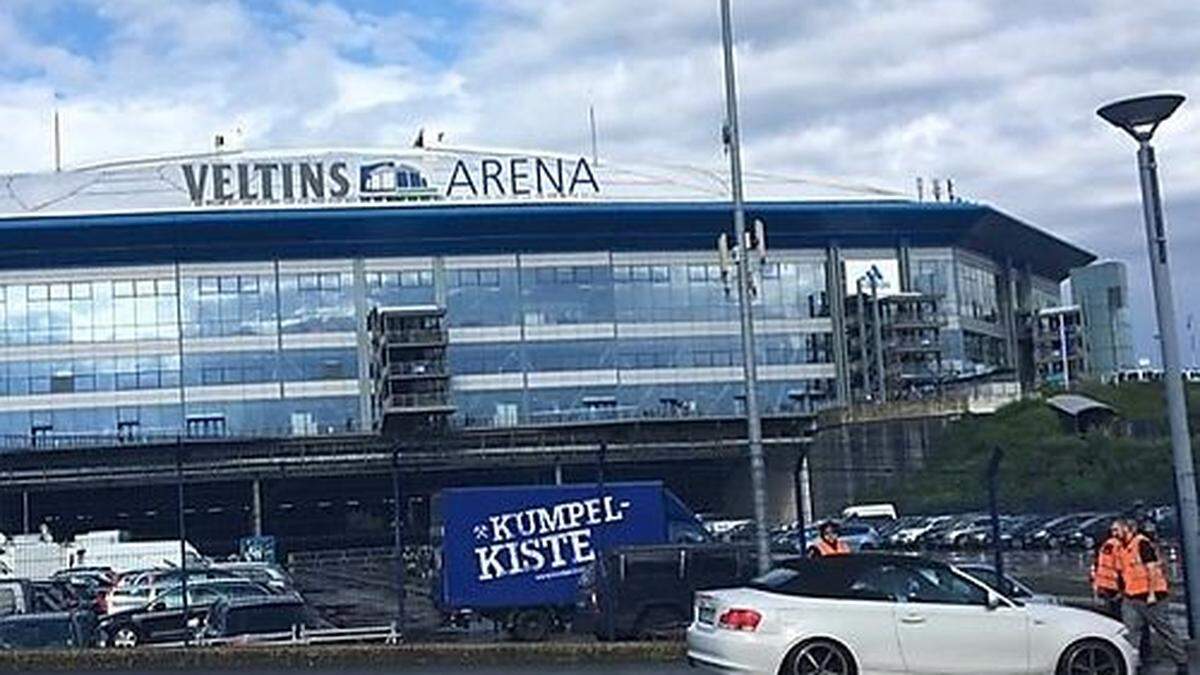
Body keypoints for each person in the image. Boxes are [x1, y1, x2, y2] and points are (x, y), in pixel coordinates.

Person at [1116, 518, 1188, 674]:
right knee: (1130, 632)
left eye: (1117, 530)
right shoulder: (1122, 547)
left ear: (1127, 529)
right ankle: (1133, 663)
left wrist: (1152, 593)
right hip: (1132, 596)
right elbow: (1125, 572)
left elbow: (1152, 570)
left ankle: (1181, 662)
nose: (1114, 533)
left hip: (1151, 597)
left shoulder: (1142, 544)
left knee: (1164, 629)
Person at [1090, 520, 1123, 619]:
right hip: (1116, 587)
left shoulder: (1105, 546)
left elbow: (1096, 568)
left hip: (1105, 586)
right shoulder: (1119, 545)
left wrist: (1096, 589)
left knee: (1110, 615)